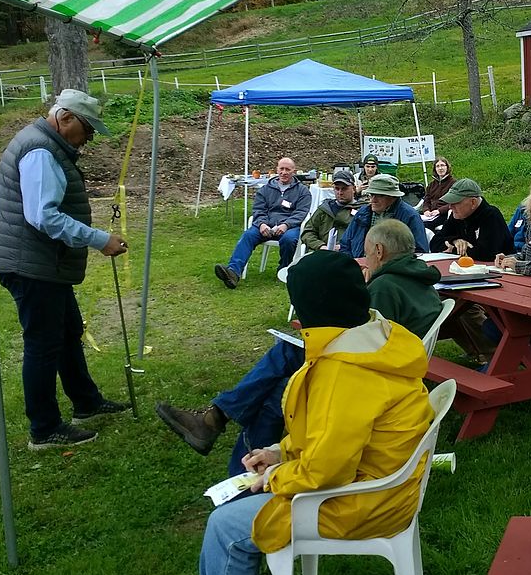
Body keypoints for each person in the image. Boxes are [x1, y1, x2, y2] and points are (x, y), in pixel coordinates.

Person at [193, 250, 433, 575]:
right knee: (238, 509)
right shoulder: (377, 336)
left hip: (361, 503)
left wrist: (275, 476)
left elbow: (326, 471)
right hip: (389, 489)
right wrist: (279, 452)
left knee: (225, 527)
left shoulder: (343, 372)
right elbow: (328, 436)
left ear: (309, 308)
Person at [155, 221, 441, 474]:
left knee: (277, 389)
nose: (365, 259)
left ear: (378, 251)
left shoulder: (385, 287)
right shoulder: (419, 278)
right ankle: (218, 421)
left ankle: (232, 450)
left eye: (366, 253)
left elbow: (360, 332)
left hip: (369, 370)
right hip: (393, 363)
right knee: (286, 354)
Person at [0, 89, 130, 450]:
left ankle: (86, 402)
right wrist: (99, 239)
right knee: (43, 344)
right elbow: (43, 217)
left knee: (68, 332)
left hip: (41, 263)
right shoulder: (41, 151)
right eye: (88, 129)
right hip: (32, 265)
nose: (89, 138)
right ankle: (44, 428)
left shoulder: (46, 145)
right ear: (65, 118)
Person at [213, 158, 311, 289]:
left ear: (294, 171)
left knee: (289, 240)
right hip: (266, 225)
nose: (284, 172)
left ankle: (284, 271)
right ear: (277, 170)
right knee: (248, 236)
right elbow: (258, 209)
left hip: (289, 227)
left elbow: (301, 212)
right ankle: (233, 272)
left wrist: (286, 224)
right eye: (281, 169)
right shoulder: (265, 189)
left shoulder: (303, 191)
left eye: (288, 169)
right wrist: (262, 224)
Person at [339, 173, 429, 257]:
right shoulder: (362, 213)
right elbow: (345, 244)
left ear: (393, 197)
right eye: (371, 195)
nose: (373, 200)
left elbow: (419, 252)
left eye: (379, 196)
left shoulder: (410, 216)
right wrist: (353, 264)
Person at [429, 178, 514, 261]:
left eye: (455, 203)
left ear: (473, 202)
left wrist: (453, 249)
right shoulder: (457, 215)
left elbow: (487, 254)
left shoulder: (491, 216)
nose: (450, 207)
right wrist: (454, 240)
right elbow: (434, 243)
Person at [299, 169, 362, 252]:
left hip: (349, 253)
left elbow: (364, 236)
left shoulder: (361, 211)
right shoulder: (324, 209)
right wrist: (320, 246)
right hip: (322, 252)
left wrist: (344, 246)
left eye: (344, 189)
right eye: (337, 189)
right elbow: (307, 232)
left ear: (353, 189)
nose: (340, 193)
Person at [419, 156, 456, 229]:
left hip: (444, 213)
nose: (440, 168)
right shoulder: (431, 184)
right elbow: (426, 200)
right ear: (435, 169)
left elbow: (454, 203)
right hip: (430, 214)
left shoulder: (453, 183)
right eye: (437, 166)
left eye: (442, 165)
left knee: (423, 225)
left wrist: (439, 211)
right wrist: (426, 210)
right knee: (414, 220)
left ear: (447, 167)